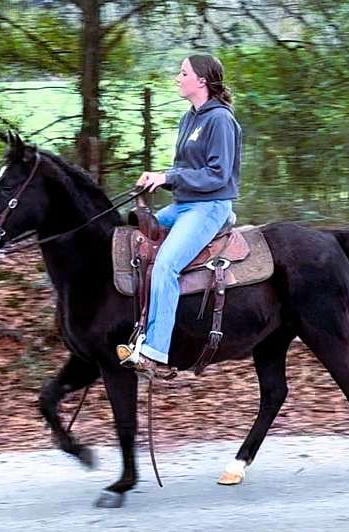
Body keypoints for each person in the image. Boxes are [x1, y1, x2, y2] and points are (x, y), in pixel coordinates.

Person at [118, 53, 242, 376]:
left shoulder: (221, 120)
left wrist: (169, 177)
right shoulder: (189, 118)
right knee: (138, 242)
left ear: (201, 80)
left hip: (210, 206)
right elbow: (185, 169)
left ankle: (157, 353)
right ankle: (139, 335)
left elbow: (217, 175)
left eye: (183, 72)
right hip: (183, 206)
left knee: (167, 264)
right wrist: (159, 177)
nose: (177, 77)